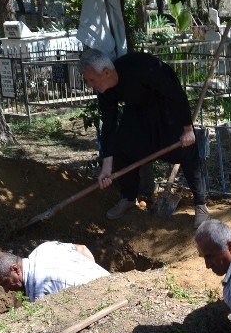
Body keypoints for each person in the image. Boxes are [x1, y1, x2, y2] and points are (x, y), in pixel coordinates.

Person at [79, 48, 210, 226]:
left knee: (186, 150)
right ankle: (128, 198)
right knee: (122, 147)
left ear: (107, 73)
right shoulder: (105, 91)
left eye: (91, 79)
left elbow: (175, 92)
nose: (90, 85)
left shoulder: (142, 67)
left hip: (166, 107)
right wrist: (106, 167)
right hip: (138, 110)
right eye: (88, 81)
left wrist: (187, 129)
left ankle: (201, 204)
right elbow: (109, 125)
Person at [0, 242, 109, 302]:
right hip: (115, 283)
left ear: (15, 269)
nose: (6, 290)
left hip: (107, 302)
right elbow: (82, 248)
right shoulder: (44, 248)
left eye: (5, 283)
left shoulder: (39, 293)